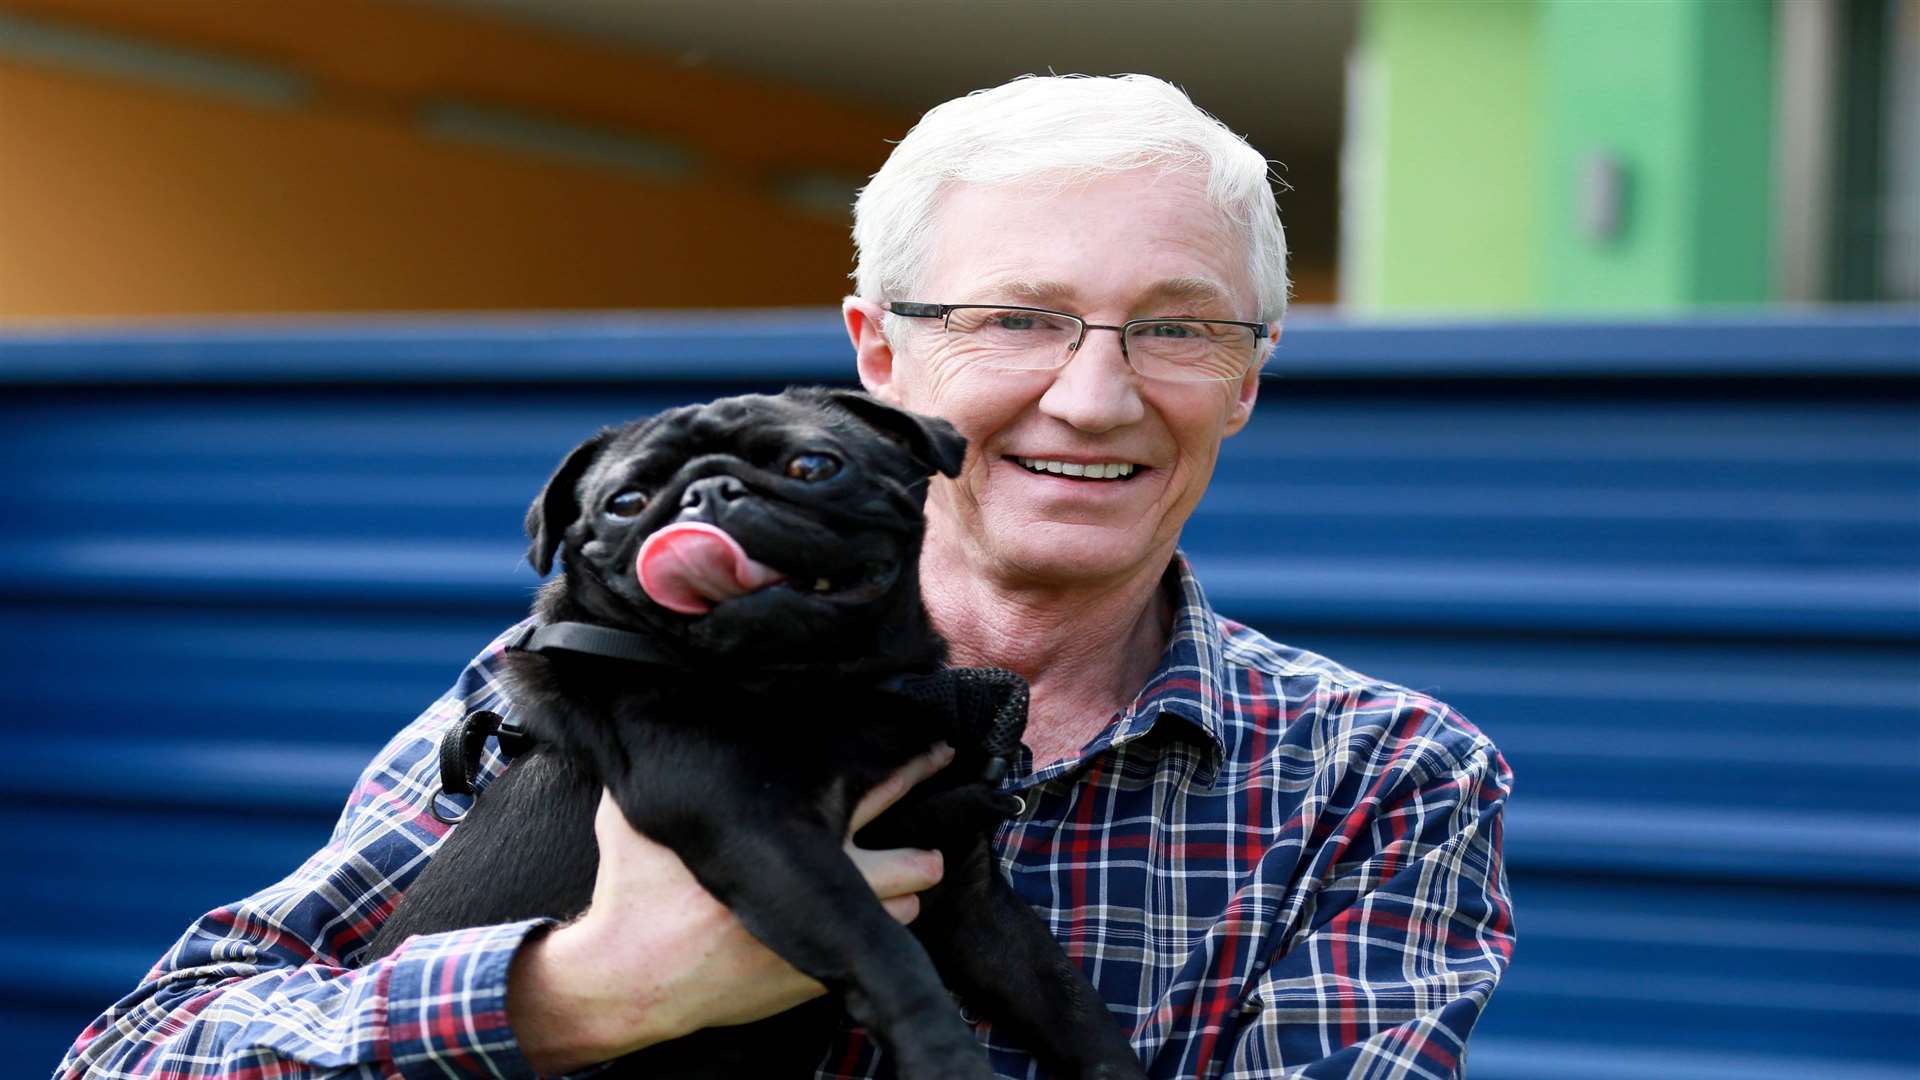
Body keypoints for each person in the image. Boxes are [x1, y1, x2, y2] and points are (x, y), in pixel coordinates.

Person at [59, 74, 1513, 1079]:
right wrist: (575, 996)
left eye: (1180, 329)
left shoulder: (1377, 778)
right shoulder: (585, 683)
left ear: (1251, 374)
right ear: (879, 354)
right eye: (1018, 317)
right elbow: (140, 1052)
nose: (1092, 396)